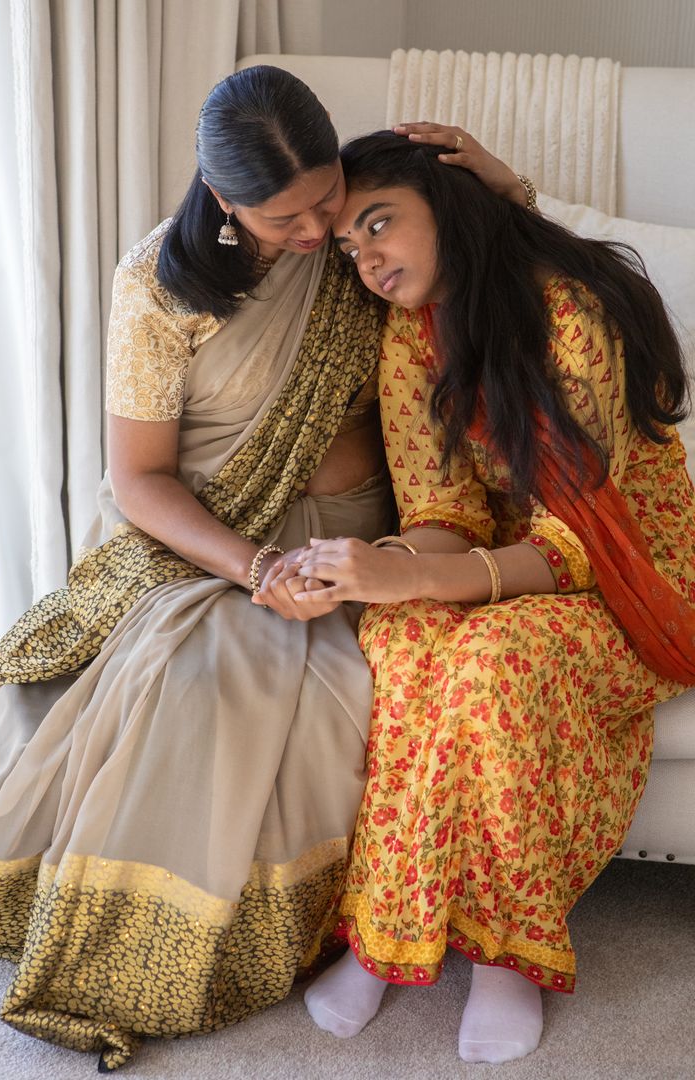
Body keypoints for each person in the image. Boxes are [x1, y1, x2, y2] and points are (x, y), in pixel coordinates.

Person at [0, 68, 529, 1070]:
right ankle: (150, 941)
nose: (318, 230)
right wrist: (255, 565)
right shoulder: (158, 284)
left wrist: (501, 184)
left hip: (365, 542)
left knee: (330, 689)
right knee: (186, 683)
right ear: (224, 199)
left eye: (326, 197)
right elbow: (140, 481)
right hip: (212, 542)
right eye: (285, 218)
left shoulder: (367, 229)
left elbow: (506, 271)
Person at [295, 130, 695, 1064]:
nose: (367, 260)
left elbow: (579, 542)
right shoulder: (410, 336)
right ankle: (386, 932)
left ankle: (505, 956)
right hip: (505, 566)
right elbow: (446, 513)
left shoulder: (568, 316)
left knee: (493, 661)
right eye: (350, 247)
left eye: (379, 223)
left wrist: (418, 576)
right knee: (402, 637)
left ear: (448, 206)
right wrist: (376, 565)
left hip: (631, 581)